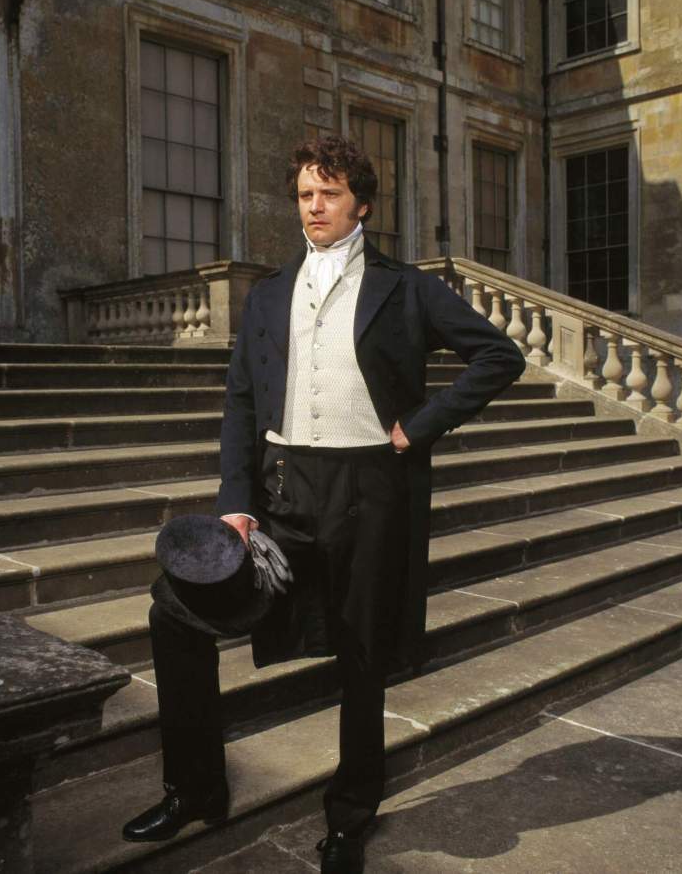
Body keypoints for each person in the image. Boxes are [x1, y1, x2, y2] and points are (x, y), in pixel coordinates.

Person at [122, 135, 526, 873]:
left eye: (329, 194)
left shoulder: (406, 288)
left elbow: (501, 355)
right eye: (305, 194)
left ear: (361, 204)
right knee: (173, 610)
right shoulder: (271, 292)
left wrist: (420, 425)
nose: (313, 207)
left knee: (362, 655)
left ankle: (349, 815)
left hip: (370, 493)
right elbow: (241, 400)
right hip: (282, 494)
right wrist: (236, 502)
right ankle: (195, 787)